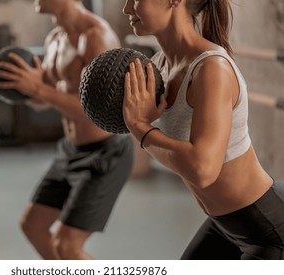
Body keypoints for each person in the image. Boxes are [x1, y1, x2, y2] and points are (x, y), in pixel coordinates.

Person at [122, 0, 284, 259]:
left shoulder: (211, 69)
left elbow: (203, 169)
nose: (127, 9)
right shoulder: (160, 65)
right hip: (224, 224)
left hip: (268, 230)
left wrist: (141, 129)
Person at [0, 0, 134, 260]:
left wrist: (39, 89)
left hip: (105, 153)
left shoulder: (96, 37)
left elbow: (99, 114)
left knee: (67, 246)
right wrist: (25, 88)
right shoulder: (55, 39)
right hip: (71, 149)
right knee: (33, 227)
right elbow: (43, 99)